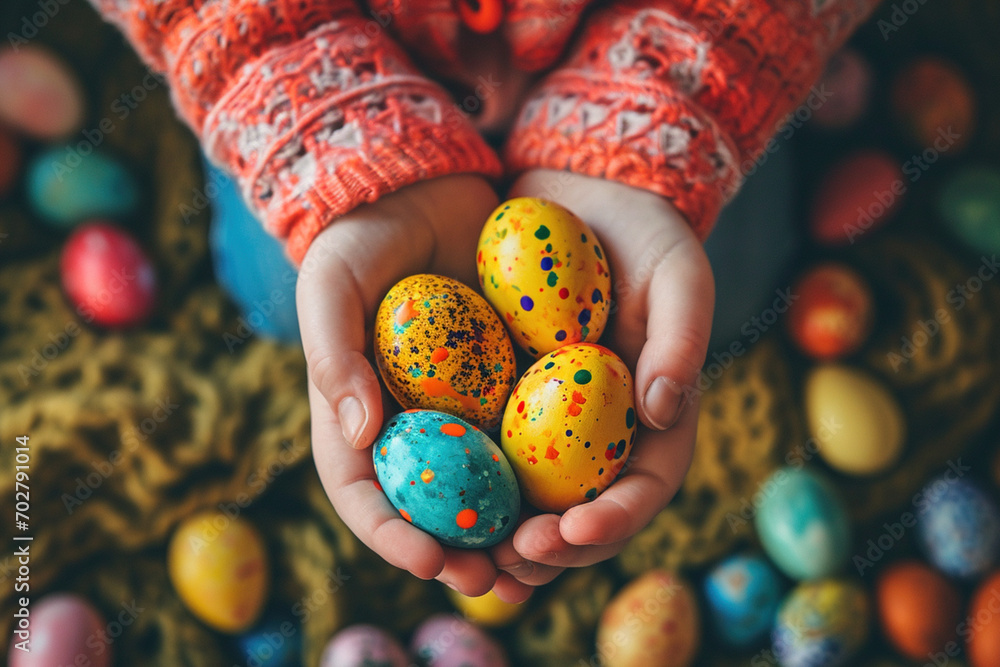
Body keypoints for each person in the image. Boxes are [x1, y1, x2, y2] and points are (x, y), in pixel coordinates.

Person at [88, 0, 881, 602]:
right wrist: (325, 123)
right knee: (284, 286)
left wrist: (651, 112)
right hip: (324, 70)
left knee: (720, 289)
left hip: (658, 62)